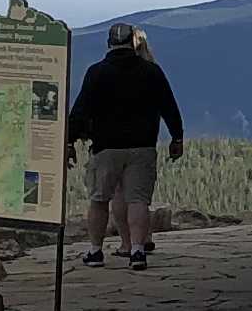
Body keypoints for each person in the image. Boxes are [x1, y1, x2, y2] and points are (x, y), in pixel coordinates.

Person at [69, 22, 185, 268]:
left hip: (106, 147)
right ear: (132, 42)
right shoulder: (151, 71)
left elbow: (80, 110)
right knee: (138, 200)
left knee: (99, 200)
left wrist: (70, 140)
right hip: (142, 146)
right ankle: (137, 251)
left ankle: (95, 251)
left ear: (109, 43)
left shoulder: (96, 72)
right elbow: (169, 106)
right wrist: (177, 137)